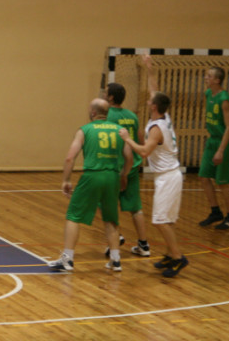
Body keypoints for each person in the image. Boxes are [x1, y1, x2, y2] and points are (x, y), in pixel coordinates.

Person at [119, 56, 188, 277]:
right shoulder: (164, 116)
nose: (148, 101)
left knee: (160, 220)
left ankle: (178, 258)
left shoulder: (157, 128)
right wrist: (149, 70)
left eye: (150, 101)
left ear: (155, 106)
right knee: (166, 220)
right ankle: (170, 253)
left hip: (167, 177)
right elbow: (154, 90)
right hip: (169, 175)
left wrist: (127, 139)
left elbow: (144, 152)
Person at [48, 98, 133, 273]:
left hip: (92, 175)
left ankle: (67, 259)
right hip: (112, 177)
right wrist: (124, 175)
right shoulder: (119, 130)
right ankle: (116, 260)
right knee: (111, 218)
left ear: (93, 112)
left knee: (73, 215)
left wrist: (66, 180)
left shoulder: (85, 130)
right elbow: (129, 157)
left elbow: (70, 158)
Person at [105, 82, 151, 257]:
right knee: (135, 207)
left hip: (115, 166)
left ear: (111, 97)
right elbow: (140, 139)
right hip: (132, 165)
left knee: (105, 204)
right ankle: (144, 245)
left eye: (106, 92)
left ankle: (115, 238)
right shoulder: (132, 115)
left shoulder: (107, 115)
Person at [198, 65, 229, 230]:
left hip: (225, 142)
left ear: (217, 80)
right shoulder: (209, 93)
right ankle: (215, 212)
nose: (205, 78)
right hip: (212, 140)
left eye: (209, 76)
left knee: (223, 182)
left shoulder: (224, 99)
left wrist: (221, 150)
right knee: (204, 176)